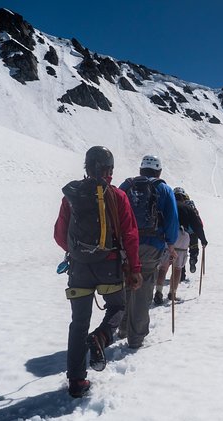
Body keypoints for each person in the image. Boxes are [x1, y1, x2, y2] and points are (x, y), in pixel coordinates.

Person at [54, 146, 143, 398]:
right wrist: (134, 268)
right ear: (109, 171)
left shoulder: (71, 196)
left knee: (78, 323)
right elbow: (130, 235)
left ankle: (76, 381)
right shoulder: (116, 196)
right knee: (118, 307)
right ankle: (102, 337)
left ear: (86, 167)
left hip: (79, 269)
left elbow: (60, 236)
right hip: (109, 267)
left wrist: (80, 253)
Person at [118, 154, 179, 348]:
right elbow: (171, 220)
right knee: (143, 290)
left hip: (124, 246)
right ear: (159, 171)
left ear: (140, 170)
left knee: (126, 285)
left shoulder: (126, 186)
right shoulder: (164, 189)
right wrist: (171, 244)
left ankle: (122, 327)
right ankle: (136, 338)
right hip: (151, 246)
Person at [156, 187, 208, 301]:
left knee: (163, 267)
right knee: (178, 267)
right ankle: (172, 293)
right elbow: (197, 225)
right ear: (184, 197)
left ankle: (158, 291)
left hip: (167, 237)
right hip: (182, 236)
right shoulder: (188, 207)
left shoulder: (167, 206)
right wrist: (203, 240)